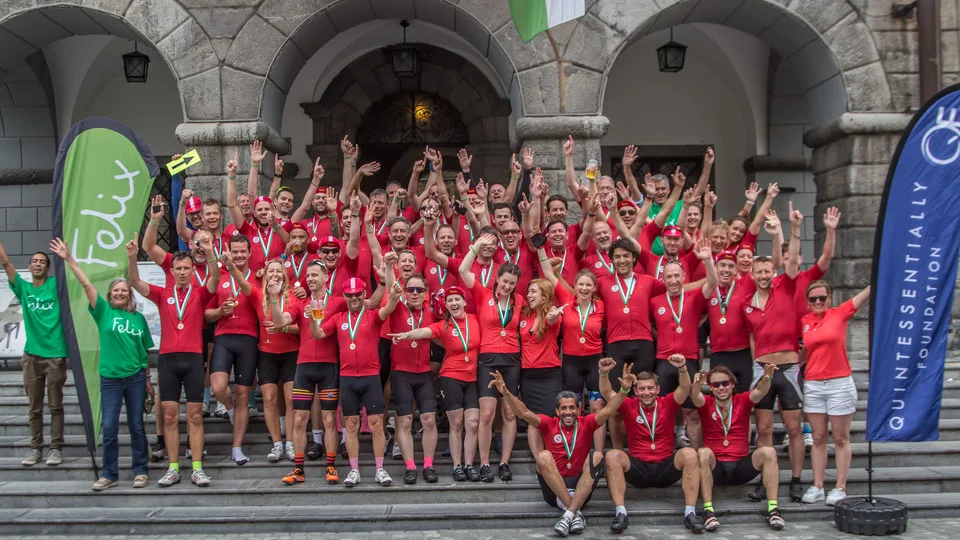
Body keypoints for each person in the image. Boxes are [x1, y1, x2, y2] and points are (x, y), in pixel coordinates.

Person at [51, 237, 153, 491]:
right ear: (109, 295)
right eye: (116, 290)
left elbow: (143, 353)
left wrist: (148, 380)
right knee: (108, 427)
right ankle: (109, 474)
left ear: (130, 295)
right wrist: (68, 258)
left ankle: (140, 471)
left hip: (136, 378)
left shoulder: (139, 319)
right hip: (110, 379)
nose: (120, 293)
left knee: (137, 426)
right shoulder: (103, 312)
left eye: (124, 290)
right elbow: (86, 284)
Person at [488, 363, 629, 538]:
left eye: (572, 408)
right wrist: (506, 393)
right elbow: (523, 412)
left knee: (598, 455)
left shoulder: (587, 423)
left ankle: (568, 515)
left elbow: (609, 409)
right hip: (553, 490)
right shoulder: (549, 423)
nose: (568, 412)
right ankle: (575, 512)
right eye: (564, 408)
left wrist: (624, 389)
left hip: (581, 487)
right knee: (543, 456)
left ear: (579, 409)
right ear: (557, 411)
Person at [134, 226, 222, 487]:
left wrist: (210, 252)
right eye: (178, 269)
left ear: (192, 271)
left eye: (186, 269)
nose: (182, 272)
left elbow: (215, 279)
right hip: (168, 360)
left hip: (193, 359)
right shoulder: (163, 294)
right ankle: (173, 467)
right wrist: (130, 258)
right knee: (170, 415)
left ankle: (197, 467)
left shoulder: (200, 293)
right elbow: (135, 283)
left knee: (195, 415)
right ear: (171, 272)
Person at [742, 201, 804, 503]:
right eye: (759, 272)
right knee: (763, 429)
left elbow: (791, 261)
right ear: (752, 274)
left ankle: (796, 479)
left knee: (793, 428)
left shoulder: (786, 287)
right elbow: (753, 338)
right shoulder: (748, 305)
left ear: (773, 271)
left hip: (789, 369)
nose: (764, 275)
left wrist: (791, 229)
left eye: (767, 270)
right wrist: (757, 365)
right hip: (763, 370)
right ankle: (764, 480)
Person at [600, 356, 704, 534]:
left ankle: (690, 513)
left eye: (650, 388)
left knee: (689, 453)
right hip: (639, 468)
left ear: (658, 389)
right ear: (635, 390)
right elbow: (606, 392)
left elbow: (685, 388)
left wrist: (682, 368)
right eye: (642, 389)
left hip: (665, 467)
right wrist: (603, 373)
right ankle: (621, 513)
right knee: (612, 455)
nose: (646, 392)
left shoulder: (668, 403)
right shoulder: (628, 404)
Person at [390, 286, 480, 482]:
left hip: (473, 377)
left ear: (464, 302)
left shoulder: (475, 319)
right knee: (456, 423)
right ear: (445, 305)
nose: (454, 303)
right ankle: (456, 466)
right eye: (450, 301)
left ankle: (469, 465)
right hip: (451, 375)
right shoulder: (443, 325)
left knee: (473, 423)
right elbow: (424, 331)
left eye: (457, 299)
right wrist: (406, 335)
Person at [314, 277, 393, 487]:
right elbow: (318, 334)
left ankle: (380, 469)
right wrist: (314, 317)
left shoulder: (372, 316)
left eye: (358, 294)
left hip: (371, 376)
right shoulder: (338, 318)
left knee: (377, 424)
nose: (354, 298)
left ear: (364, 294)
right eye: (349, 295)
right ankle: (354, 469)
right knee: (350, 425)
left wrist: (390, 288)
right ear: (344, 296)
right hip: (348, 377)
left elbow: (389, 308)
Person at [800, 281, 871, 506]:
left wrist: (881, 273)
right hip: (813, 383)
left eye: (822, 298)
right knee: (818, 437)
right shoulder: (805, 321)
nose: (818, 302)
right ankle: (818, 485)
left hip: (838, 382)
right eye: (813, 299)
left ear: (829, 298)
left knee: (840, 437)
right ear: (808, 301)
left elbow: (864, 295)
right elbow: (804, 352)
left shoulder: (839, 313)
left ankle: (840, 487)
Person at [690, 364, 786, 531]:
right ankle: (708, 511)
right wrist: (698, 383)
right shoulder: (706, 403)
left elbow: (760, 391)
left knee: (769, 451)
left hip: (741, 466)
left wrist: (766, 377)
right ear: (711, 388)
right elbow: (695, 396)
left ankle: (773, 510)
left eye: (725, 383)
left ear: (732, 384)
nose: (721, 388)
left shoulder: (742, 400)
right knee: (703, 453)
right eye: (716, 385)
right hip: (717, 467)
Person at [274, 260, 345, 485]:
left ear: (326, 277)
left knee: (329, 419)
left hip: (328, 366)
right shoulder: (300, 303)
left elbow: (364, 305)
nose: (311, 279)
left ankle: (331, 465)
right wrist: (275, 299)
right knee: (299, 419)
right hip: (304, 366)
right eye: (309, 275)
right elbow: (280, 321)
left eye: (315, 275)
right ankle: (298, 468)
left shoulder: (337, 302)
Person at [460, 233, 523, 482]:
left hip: (512, 360)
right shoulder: (483, 294)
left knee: (509, 413)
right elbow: (463, 270)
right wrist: (475, 246)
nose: (507, 286)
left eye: (512, 283)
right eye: (505, 281)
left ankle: (504, 462)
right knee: (486, 414)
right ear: (497, 279)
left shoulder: (519, 301)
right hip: (488, 359)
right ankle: (485, 462)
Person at [0, 238, 68, 467]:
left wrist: (65, 255)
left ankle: (56, 448)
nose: (38, 264)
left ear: (47, 268)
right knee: (34, 408)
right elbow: (6, 262)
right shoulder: (24, 289)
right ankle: (35, 448)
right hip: (31, 356)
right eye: (34, 261)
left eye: (42, 262)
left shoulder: (56, 286)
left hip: (55, 355)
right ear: (29, 267)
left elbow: (72, 275)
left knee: (55, 405)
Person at [595, 238, 666, 448]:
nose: (622, 260)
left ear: (634, 258)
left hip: (644, 346)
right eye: (617, 257)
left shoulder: (648, 281)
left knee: (644, 399)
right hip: (616, 345)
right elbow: (579, 295)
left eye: (626, 256)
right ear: (612, 260)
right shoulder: (602, 283)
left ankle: (641, 447)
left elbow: (676, 290)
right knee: (616, 404)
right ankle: (618, 451)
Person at [648, 238, 718, 449]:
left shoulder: (694, 297)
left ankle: (696, 455)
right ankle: (665, 453)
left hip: (689, 360)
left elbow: (712, 283)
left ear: (684, 277)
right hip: (663, 360)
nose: (673, 280)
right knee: (664, 410)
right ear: (663, 279)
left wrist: (708, 261)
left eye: (677, 276)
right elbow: (648, 325)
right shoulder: (655, 302)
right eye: (669, 276)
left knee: (692, 411)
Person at [379, 274, 440, 484]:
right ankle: (410, 466)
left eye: (419, 290)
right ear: (405, 292)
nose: (414, 293)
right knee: (404, 421)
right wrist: (389, 267)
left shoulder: (431, 312)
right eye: (410, 290)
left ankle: (429, 465)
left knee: (429, 419)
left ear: (425, 293)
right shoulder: (397, 307)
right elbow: (391, 289)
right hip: (401, 373)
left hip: (423, 372)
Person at [203, 235, 257, 465]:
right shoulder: (219, 277)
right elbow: (206, 314)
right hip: (224, 337)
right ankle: (229, 407)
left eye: (243, 251)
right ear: (229, 253)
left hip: (249, 339)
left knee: (244, 394)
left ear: (250, 252)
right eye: (235, 252)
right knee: (218, 387)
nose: (239, 255)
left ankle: (237, 448)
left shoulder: (257, 277)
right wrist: (220, 312)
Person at [519, 278, 566, 456]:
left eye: (533, 292)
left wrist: (554, 316)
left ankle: (553, 458)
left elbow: (552, 320)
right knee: (533, 420)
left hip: (549, 376)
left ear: (545, 296)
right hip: (528, 377)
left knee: (549, 420)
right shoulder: (525, 315)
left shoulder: (553, 313)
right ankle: (540, 460)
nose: (529, 295)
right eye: (528, 291)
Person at [260, 259, 300, 462]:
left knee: (291, 399)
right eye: (271, 271)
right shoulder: (257, 295)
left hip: (291, 351)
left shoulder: (293, 297)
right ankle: (277, 444)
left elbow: (296, 326)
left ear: (284, 276)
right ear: (264, 274)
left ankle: (291, 443)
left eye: (278, 271)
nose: (275, 274)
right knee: (269, 398)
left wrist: (283, 328)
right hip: (266, 352)